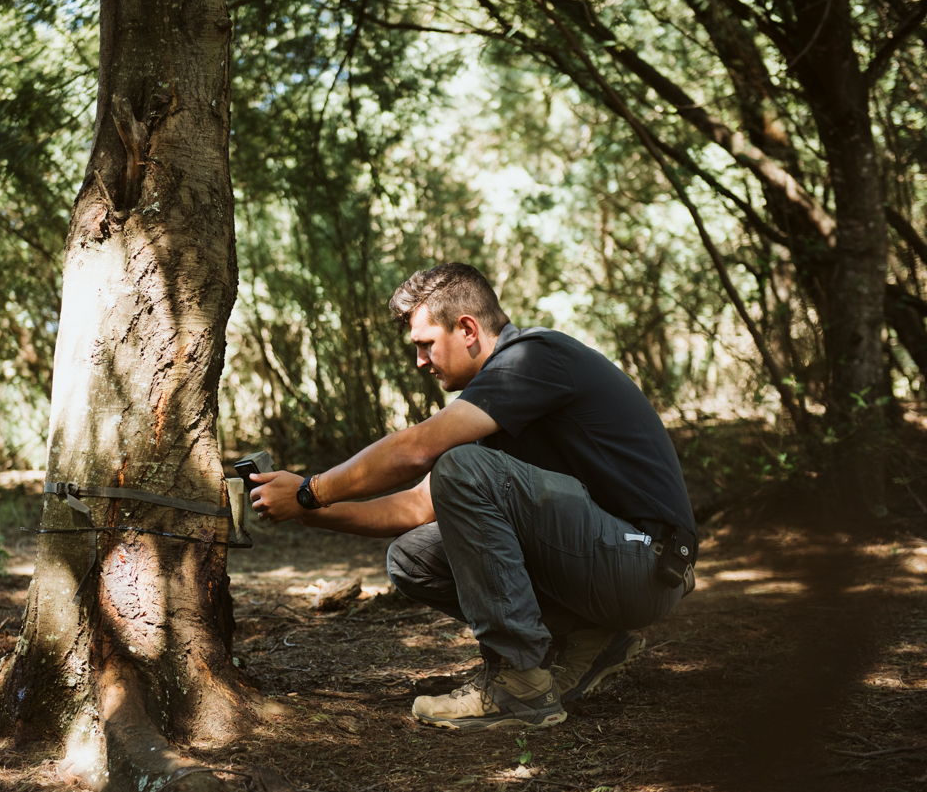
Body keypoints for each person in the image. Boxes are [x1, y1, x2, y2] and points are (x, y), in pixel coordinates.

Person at [250, 262, 696, 731]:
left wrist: (311, 490)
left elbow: (417, 450)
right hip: (612, 563)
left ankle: (518, 682)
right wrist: (308, 512)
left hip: (648, 564)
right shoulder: (495, 405)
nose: (420, 362)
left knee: (459, 467)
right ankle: (592, 639)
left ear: (466, 329)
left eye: (426, 344)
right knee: (412, 558)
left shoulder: (535, 358)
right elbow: (415, 506)